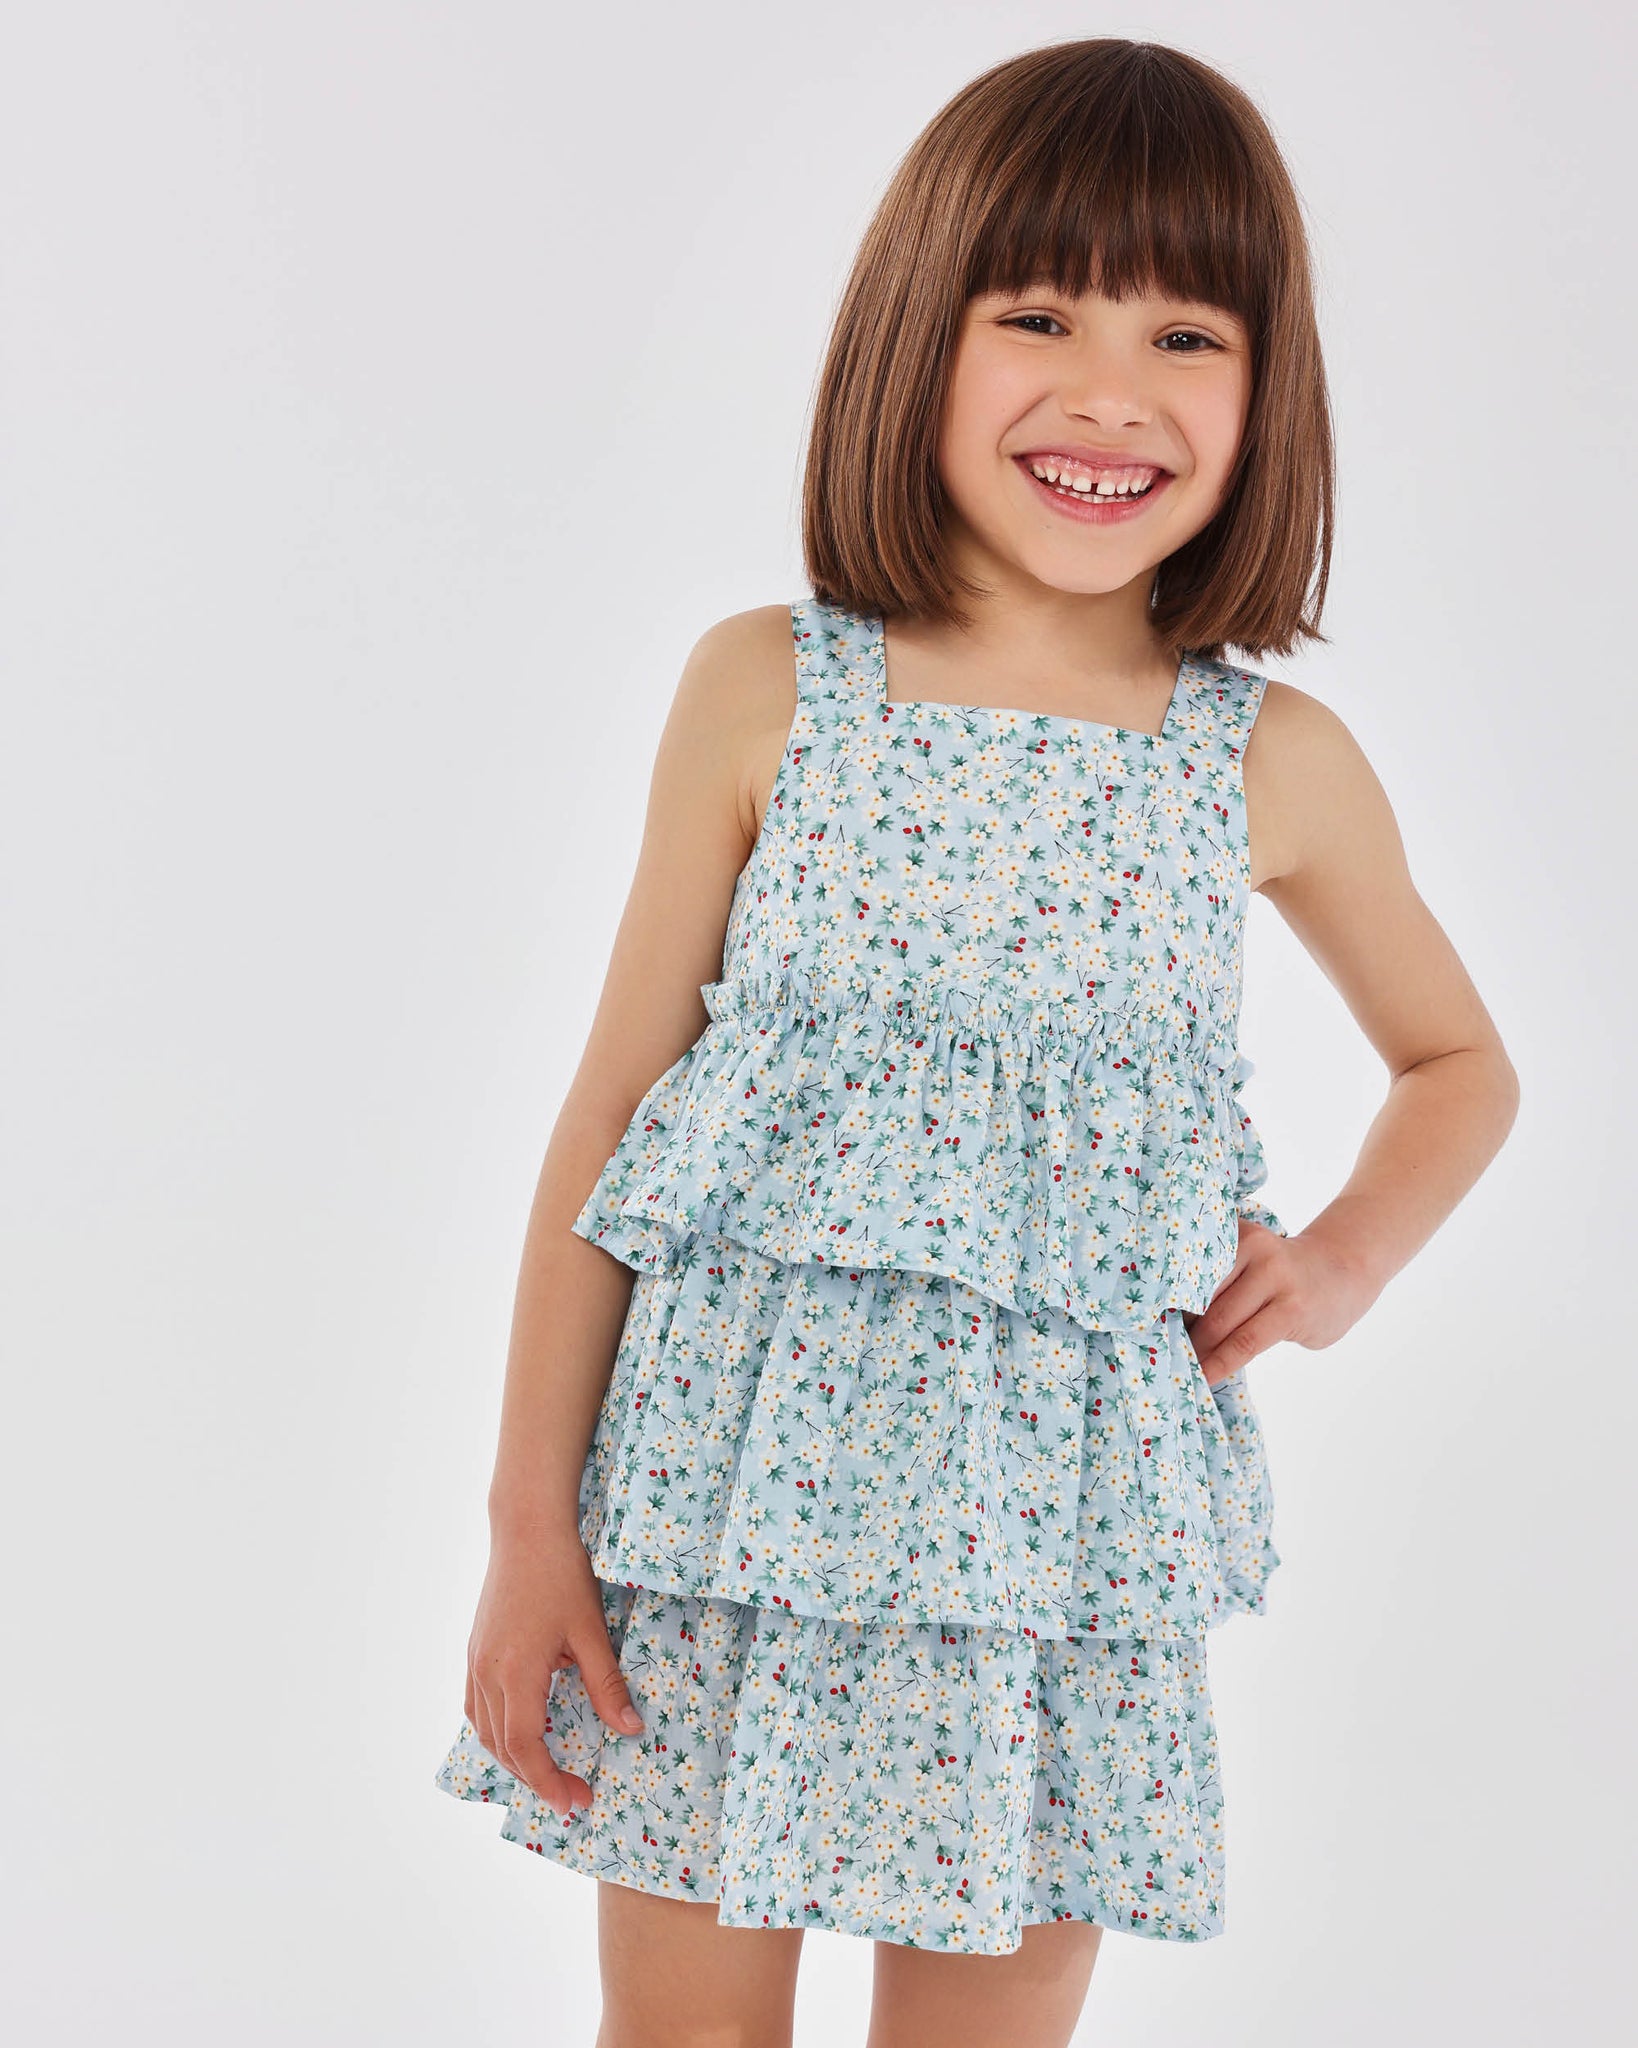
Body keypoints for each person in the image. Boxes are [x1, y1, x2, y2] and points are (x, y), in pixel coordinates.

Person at [431, 36, 1518, 2048]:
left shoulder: (1263, 759)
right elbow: (613, 1119)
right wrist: (525, 1527)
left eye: (1185, 334)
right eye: (1037, 316)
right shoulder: (767, 691)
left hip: (1054, 1575)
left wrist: (1340, 1260)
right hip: (720, 1529)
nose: (1110, 393)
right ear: (914, 336)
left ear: (1266, 391)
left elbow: (1460, 1063)